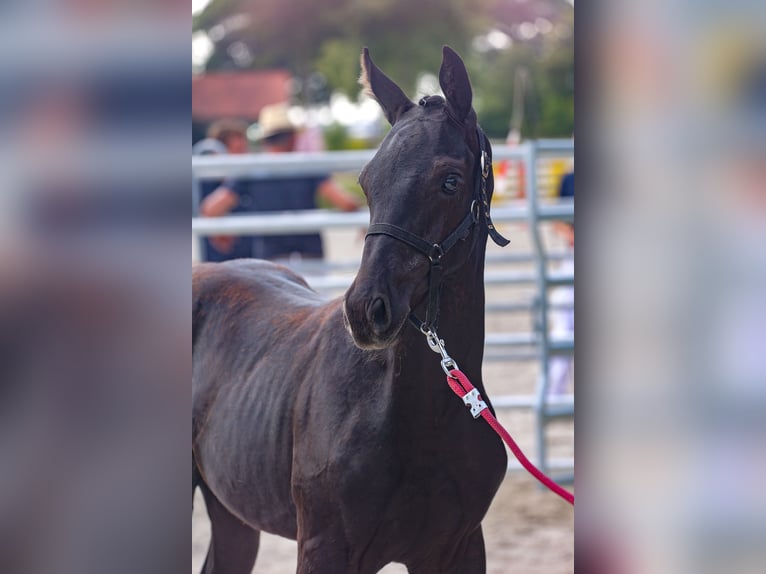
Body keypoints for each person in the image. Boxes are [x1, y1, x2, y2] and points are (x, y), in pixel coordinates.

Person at [199, 104, 360, 262]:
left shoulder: (251, 170)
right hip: (310, 255)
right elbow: (345, 203)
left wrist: (219, 234)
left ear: (265, 140)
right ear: (293, 137)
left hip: (271, 262)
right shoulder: (308, 166)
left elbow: (211, 208)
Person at [548, 169, 574, 396]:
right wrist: (570, 232)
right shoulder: (569, 179)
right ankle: (554, 395)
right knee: (563, 326)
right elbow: (556, 220)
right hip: (573, 256)